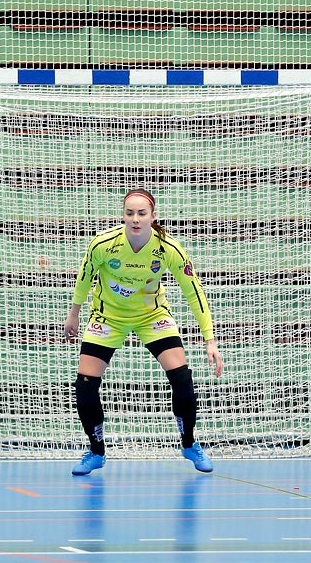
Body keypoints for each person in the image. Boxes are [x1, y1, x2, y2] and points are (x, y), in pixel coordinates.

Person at [63, 189, 224, 476]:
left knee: (182, 377)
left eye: (141, 213)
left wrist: (210, 340)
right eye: (129, 213)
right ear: (123, 215)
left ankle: (189, 444)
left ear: (153, 216)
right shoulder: (103, 244)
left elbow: (194, 291)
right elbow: (85, 276)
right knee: (85, 387)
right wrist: (73, 313)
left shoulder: (168, 248)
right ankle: (96, 451)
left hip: (152, 316)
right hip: (108, 317)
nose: (135, 219)